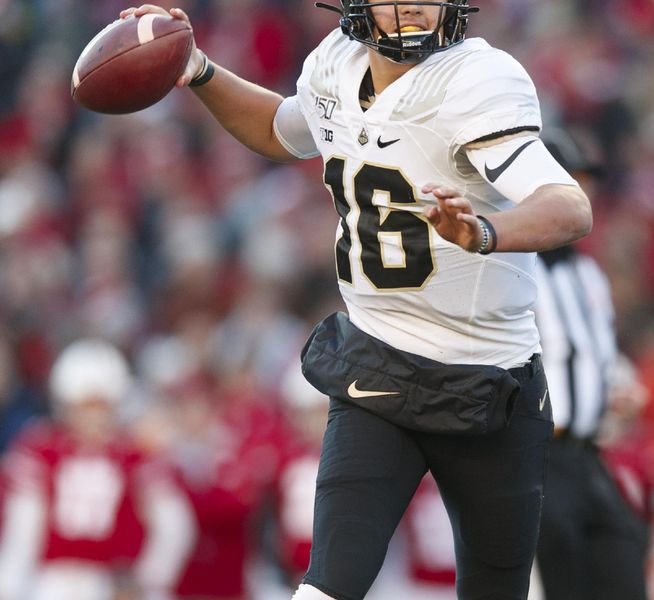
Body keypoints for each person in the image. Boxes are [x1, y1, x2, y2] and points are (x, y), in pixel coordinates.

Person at [121, 2, 593, 599]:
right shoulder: (334, 66)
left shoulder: (476, 80)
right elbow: (279, 130)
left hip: (488, 383)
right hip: (380, 363)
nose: (417, 5)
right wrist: (197, 69)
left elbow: (569, 206)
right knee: (326, 588)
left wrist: (484, 233)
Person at [532, 129, 649, 599]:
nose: (587, 193)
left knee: (623, 562)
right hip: (539, 456)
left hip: (588, 455)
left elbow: (596, 353)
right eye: (573, 179)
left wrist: (616, 387)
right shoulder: (512, 267)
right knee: (562, 581)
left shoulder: (588, 273)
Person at [0, 338, 195, 600]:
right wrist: (11, 586)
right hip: (53, 582)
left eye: (100, 406)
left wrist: (148, 580)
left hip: (115, 582)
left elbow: (174, 527)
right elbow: (22, 531)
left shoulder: (137, 454)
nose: (93, 417)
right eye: (84, 407)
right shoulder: (41, 450)